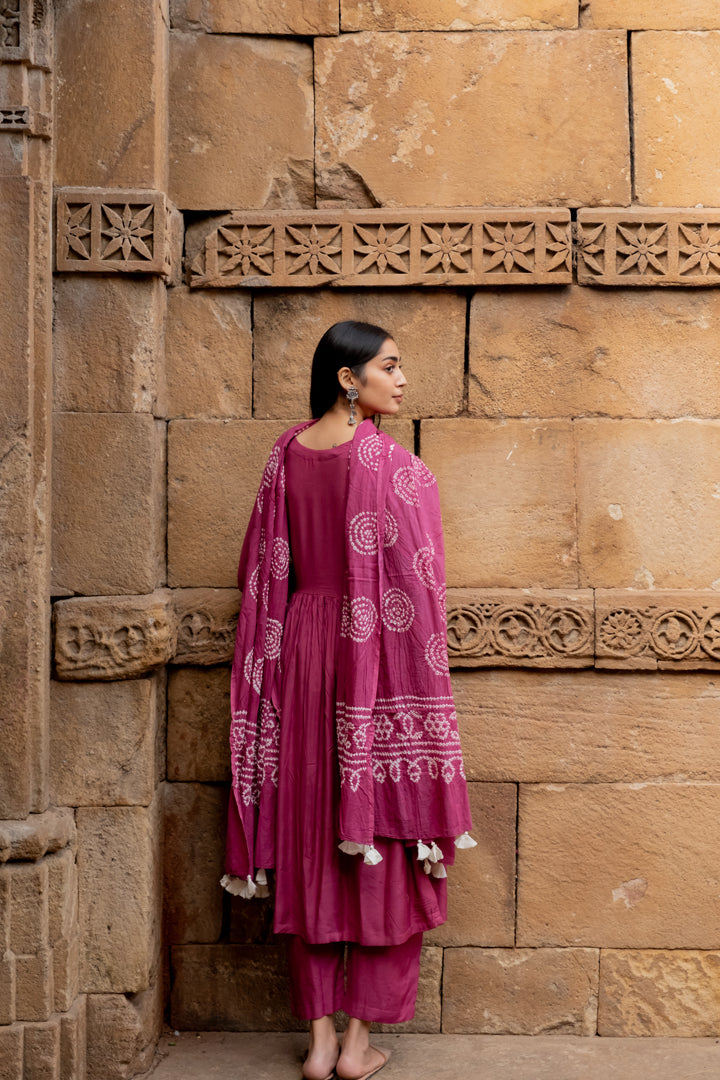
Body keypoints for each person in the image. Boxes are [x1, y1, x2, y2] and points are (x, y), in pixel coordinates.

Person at [221, 321, 474, 1080]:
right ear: (346, 377)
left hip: (299, 659)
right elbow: (419, 597)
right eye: (389, 367)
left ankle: (320, 1038)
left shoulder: (283, 458)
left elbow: (259, 569)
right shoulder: (398, 469)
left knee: (310, 840)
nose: (401, 381)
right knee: (378, 844)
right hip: (373, 667)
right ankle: (360, 1044)